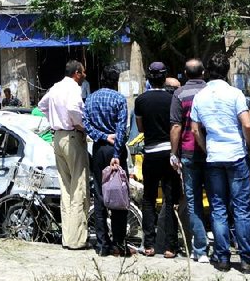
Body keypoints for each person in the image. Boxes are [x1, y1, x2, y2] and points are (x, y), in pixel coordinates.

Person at [190, 51, 250, 272]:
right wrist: (248, 147)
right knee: (242, 208)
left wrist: (205, 147)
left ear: (207, 73)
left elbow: (195, 129)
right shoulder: (235, 94)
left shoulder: (200, 97)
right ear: (227, 71)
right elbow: (247, 125)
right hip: (236, 155)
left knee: (218, 208)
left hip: (214, 156)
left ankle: (221, 258)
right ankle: (246, 258)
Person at [39, 61, 89, 251]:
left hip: (57, 136)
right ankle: (77, 240)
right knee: (79, 188)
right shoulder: (73, 88)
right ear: (77, 73)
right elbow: (74, 109)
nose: (84, 74)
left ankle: (67, 238)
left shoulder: (55, 87)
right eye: (83, 72)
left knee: (66, 189)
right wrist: (80, 125)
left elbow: (42, 105)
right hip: (72, 135)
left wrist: (54, 119)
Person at [135, 62, 181, 258]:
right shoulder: (173, 99)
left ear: (149, 78)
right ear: (164, 78)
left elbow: (141, 128)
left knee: (148, 198)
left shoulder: (141, 101)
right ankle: (171, 246)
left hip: (151, 153)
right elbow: (176, 125)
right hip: (169, 153)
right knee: (170, 200)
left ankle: (149, 245)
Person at [83, 65, 130, 257]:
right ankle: (119, 243)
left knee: (101, 196)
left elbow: (85, 124)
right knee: (119, 193)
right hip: (115, 150)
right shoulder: (119, 99)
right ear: (116, 81)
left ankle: (102, 244)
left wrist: (101, 136)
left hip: (99, 148)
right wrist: (117, 154)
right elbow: (121, 130)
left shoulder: (91, 99)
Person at [170, 58, 209, 262]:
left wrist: (173, 152)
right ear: (203, 73)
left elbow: (176, 126)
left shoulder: (180, 94)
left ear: (185, 74)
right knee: (217, 200)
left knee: (193, 201)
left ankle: (200, 249)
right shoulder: (211, 92)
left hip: (188, 153)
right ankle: (223, 247)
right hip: (212, 153)